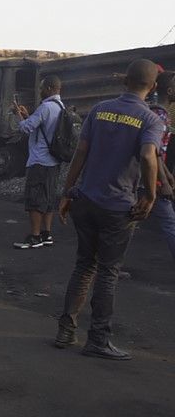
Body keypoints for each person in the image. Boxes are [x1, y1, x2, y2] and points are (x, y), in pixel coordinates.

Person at [54, 59, 164, 360]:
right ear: (153, 87)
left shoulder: (100, 110)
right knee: (107, 272)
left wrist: (67, 192)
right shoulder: (150, 119)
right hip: (118, 208)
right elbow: (147, 154)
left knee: (84, 265)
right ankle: (99, 339)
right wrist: (151, 194)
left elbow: (81, 151)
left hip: (85, 200)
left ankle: (66, 330)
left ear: (123, 81)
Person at [12, 76, 64, 249]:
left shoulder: (45, 107)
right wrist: (28, 115)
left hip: (39, 161)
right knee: (48, 199)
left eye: (42, 88)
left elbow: (26, 128)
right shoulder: (60, 107)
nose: (39, 91)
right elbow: (42, 127)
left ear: (49, 88)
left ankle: (34, 236)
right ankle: (46, 234)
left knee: (34, 199)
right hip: (54, 161)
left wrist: (19, 116)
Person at [146, 70, 175, 261]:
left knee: (124, 224)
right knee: (170, 223)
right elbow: (151, 152)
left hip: (148, 177)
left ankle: (109, 264)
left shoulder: (157, 112)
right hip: (150, 179)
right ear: (171, 91)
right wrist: (163, 181)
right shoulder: (160, 116)